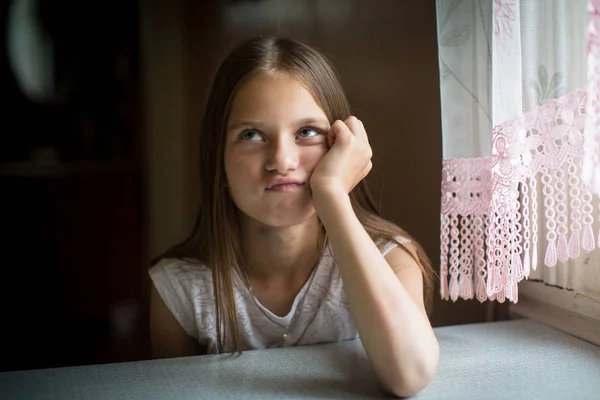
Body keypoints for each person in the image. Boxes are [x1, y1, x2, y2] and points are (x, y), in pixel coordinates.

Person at [148, 35, 439, 397]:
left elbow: (409, 375)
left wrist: (332, 194)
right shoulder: (179, 292)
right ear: (218, 161)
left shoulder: (392, 260)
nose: (282, 161)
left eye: (307, 132)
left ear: (339, 145)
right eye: (252, 134)